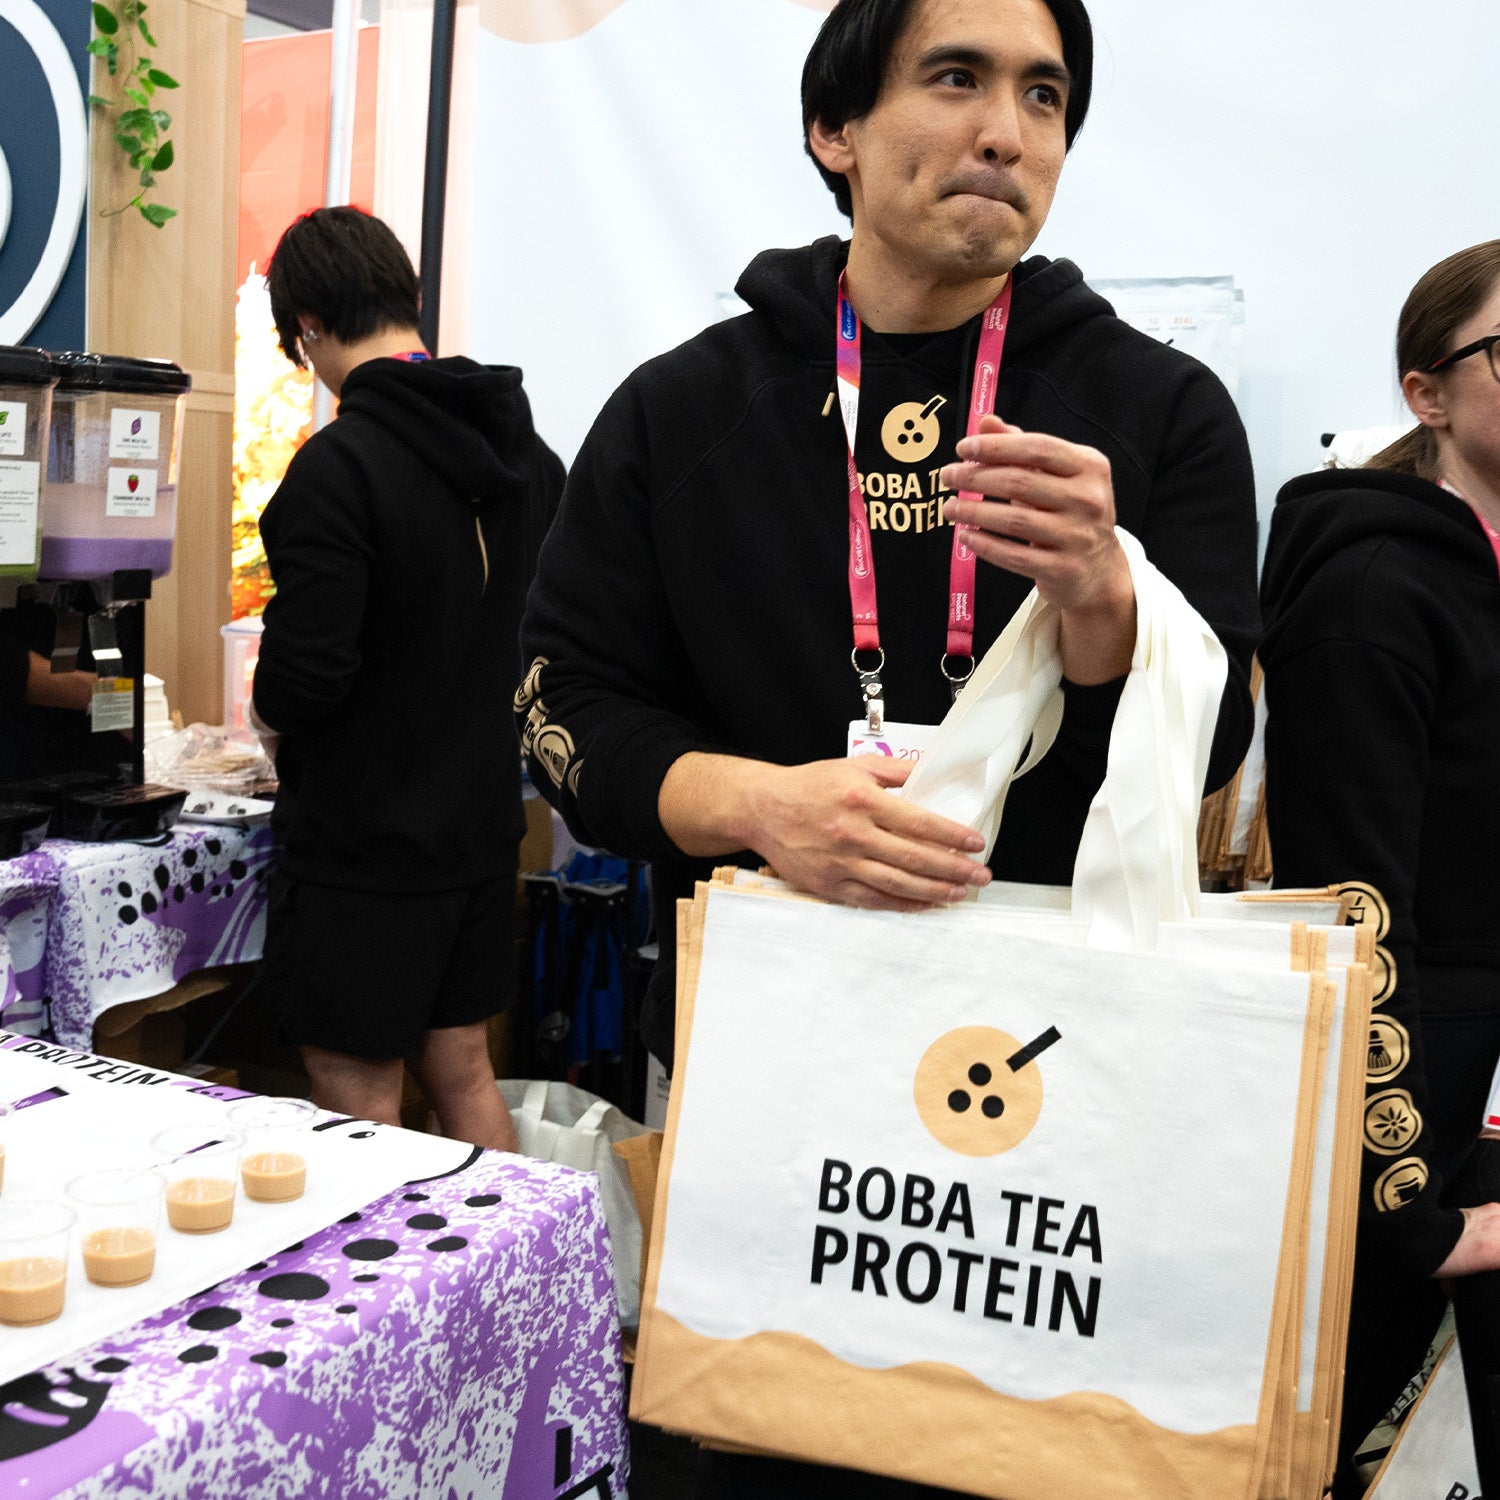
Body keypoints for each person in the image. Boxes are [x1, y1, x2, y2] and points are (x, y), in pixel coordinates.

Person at [519, 0, 1259, 1074]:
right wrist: (762, 806)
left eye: (1042, 95)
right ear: (836, 128)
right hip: (756, 1038)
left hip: (1057, 1055)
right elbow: (564, 709)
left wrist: (1105, 601)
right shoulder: (679, 413)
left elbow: (1210, 748)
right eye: (957, 78)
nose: (1006, 131)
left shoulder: (1161, 413)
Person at [1260, 240, 1500, 1493]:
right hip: (1428, 1129)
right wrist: (1411, 1215)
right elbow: (1351, 917)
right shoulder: (1370, 583)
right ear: (1429, 394)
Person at [251, 207, 564, 1151]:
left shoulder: (338, 469)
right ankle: (514, 1299)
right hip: (478, 827)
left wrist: (270, 727)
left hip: (364, 846)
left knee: (357, 1089)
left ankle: (379, 1304)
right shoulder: (527, 460)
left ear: (307, 324)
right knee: (463, 1069)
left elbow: (306, 680)